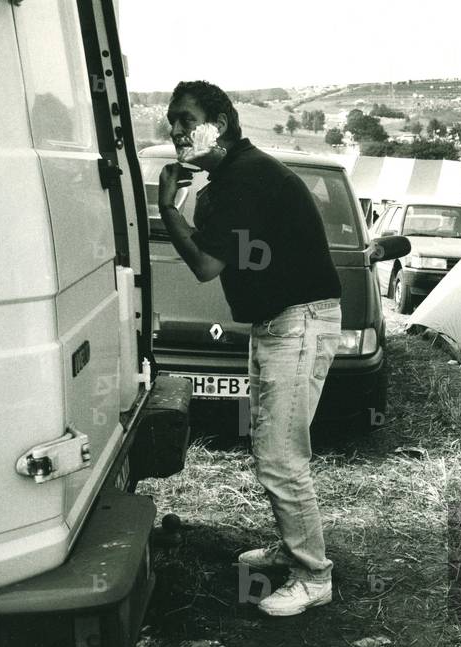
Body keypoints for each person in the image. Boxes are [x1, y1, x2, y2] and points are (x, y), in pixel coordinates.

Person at [158, 80, 342, 617]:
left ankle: (314, 576)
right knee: (270, 445)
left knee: (282, 456)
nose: (176, 131)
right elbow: (224, 251)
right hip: (281, 319)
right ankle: (291, 549)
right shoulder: (234, 176)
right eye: (172, 122)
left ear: (222, 120)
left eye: (186, 119)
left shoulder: (243, 179)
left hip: (298, 320)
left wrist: (169, 208)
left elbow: (205, 266)